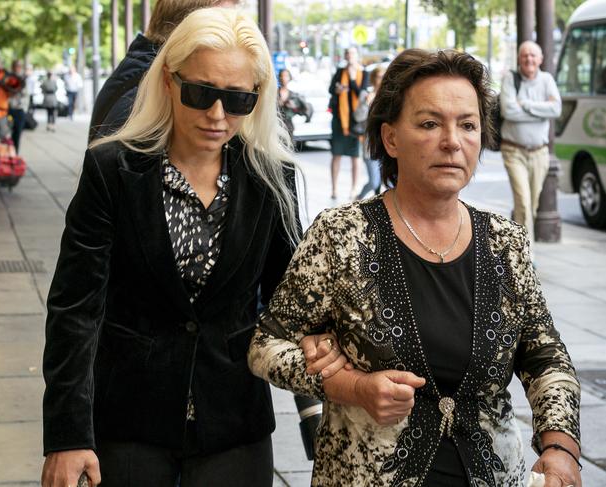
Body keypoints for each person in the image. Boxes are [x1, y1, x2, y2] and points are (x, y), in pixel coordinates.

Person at [40, 8, 345, 487]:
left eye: (238, 98)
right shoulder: (112, 170)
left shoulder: (270, 176)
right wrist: (66, 435)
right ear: (168, 79)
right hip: (129, 422)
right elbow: (74, 312)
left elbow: (292, 298)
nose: (217, 115)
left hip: (233, 422)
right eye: (201, 93)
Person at [249, 49, 582, 487]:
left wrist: (560, 448)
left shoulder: (506, 242)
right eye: (429, 124)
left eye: (467, 125)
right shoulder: (342, 235)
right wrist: (350, 387)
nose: (452, 141)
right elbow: (266, 345)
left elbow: (545, 357)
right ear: (391, 139)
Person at [88, 0, 239, 142]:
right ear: (183, 29)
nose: (235, 34)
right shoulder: (145, 97)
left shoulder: (139, 74)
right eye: (221, 28)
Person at [500, 40, 561, 256]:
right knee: (524, 204)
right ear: (519, 59)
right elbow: (509, 112)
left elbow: (556, 108)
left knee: (530, 206)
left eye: (533, 56)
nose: (529, 59)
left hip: (539, 153)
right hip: (514, 151)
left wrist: (525, 104)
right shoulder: (510, 79)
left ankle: (515, 236)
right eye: (525, 55)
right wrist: (540, 110)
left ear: (541, 59)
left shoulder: (547, 80)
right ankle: (526, 257)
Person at [328, 46, 368, 200]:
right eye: (347, 54)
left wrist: (351, 80)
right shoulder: (339, 71)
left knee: (355, 156)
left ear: (356, 56)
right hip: (340, 119)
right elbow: (331, 89)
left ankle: (353, 189)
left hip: (356, 120)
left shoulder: (363, 73)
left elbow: (361, 93)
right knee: (336, 154)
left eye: (351, 53)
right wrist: (337, 90)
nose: (349, 56)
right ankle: (334, 188)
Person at [356, 64, 386, 199]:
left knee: (388, 182)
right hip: (370, 145)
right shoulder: (366, 94)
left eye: (383, 77)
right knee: (374, 182)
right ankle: (358, 199)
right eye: (379, 77)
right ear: (373, 79)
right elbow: (357, 117)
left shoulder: (388, 97)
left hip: (386, 145)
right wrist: (365, 104)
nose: (381, 80)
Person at [277, 68, 312, 140]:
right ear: (279, 78)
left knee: (288, 147)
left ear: (290, 78)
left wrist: (293, 107)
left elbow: (303, 110)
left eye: (286, 76)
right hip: (275, 126)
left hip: (288, 126)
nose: (284, 78)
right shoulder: (274, 93)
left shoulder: (293, 95)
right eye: (282, 76)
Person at [8, 60, 28, 151]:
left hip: (20, 109)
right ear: (12, 67)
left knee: (17, 133)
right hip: (8, 108)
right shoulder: (7, 78)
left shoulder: (23, 79)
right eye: (15, 66)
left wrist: (25, 109)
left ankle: (15, 153)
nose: (17, 68)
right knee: (6, 133)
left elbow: (27, 94)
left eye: (19, 66)